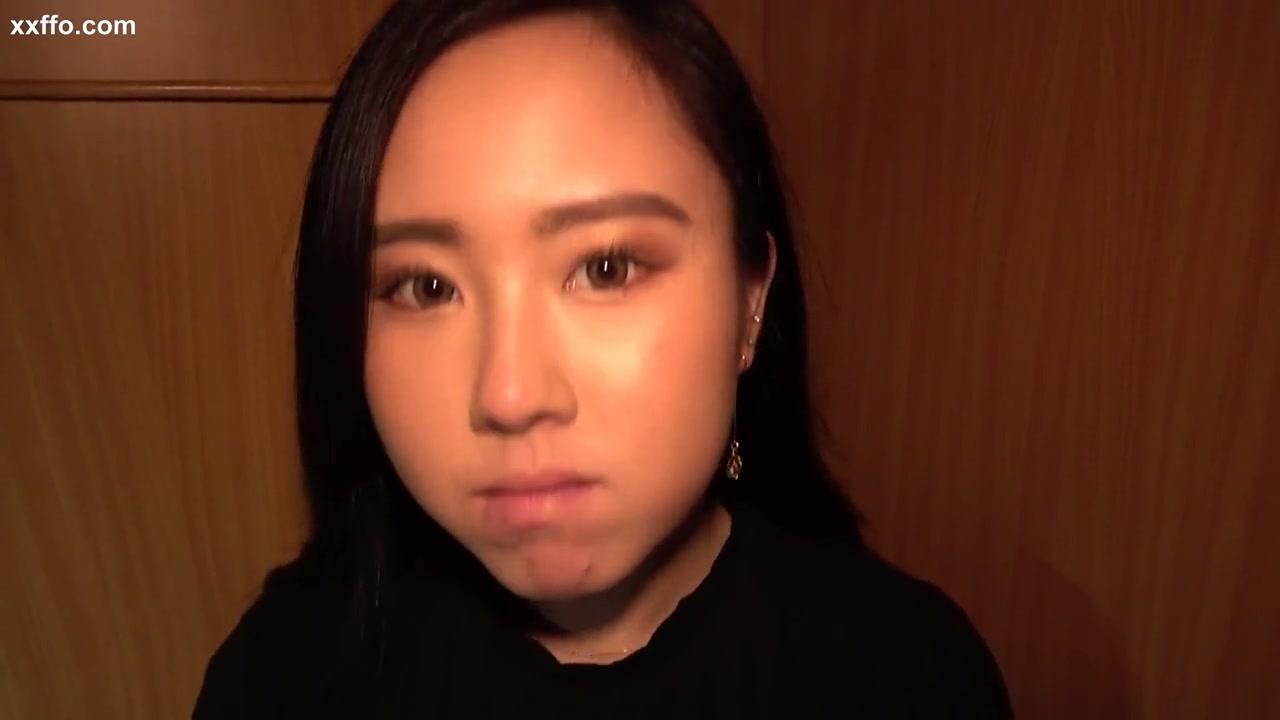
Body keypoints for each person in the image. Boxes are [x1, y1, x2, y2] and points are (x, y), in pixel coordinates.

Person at [193, 0, 1012, 717]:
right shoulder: (283, 679)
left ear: (750, 300)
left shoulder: (908, 675)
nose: (511, 395)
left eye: (607, 268)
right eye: (425, 287)